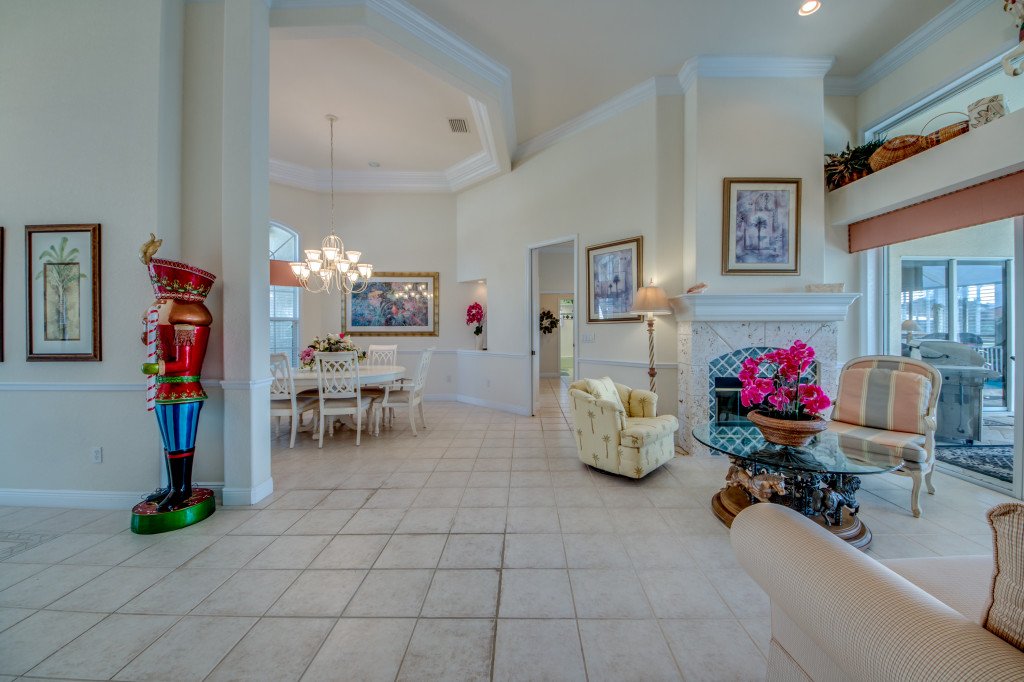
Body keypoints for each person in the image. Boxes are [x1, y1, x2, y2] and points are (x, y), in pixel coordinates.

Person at [139, 236, 216, 513]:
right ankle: (173, 486)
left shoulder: (187, 326)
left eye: (162, 301)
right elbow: (158, 345)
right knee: (170, 440)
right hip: (166, 389)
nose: (157, 305)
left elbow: (183, 363)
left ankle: (181, 488)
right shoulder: (171, 325)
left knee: (179, 440)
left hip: (184, 389)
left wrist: (157, 367)